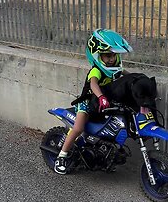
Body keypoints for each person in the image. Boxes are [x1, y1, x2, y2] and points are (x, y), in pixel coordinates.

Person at [54, 29, 133, 174]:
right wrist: (101, 96)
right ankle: (62, 156)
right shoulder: (96, 70)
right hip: (88, 102)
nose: (111, 59)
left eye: (113, 55)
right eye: (107, 56)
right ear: (97, 56)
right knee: (78, 128)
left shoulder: (116, 69)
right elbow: (93, 84)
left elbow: (130, 77)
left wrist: (138, 82)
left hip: (104, 103)